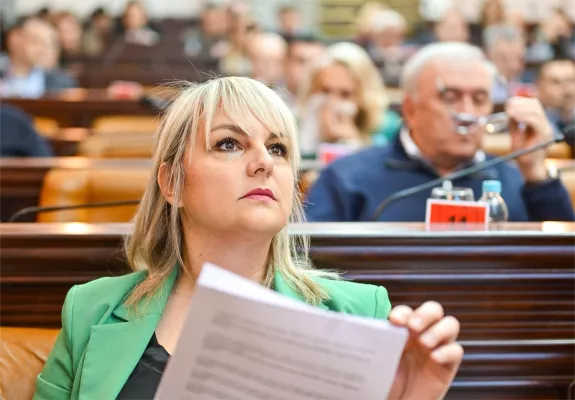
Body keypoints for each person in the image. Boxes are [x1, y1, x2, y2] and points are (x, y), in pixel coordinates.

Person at [34, 76, 462, 399]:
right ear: (172, 184)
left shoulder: (359, 314)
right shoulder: (91, 311)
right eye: (228, 144)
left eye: (278, 148)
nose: (263, 163)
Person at [305, 42, 575, 223]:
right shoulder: (347, 178)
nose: (467, 113)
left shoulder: (514, 179)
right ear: (410, 109)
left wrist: (537, 176)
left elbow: (564, 266)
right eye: (451, 97)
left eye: (479, 99)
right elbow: (310, 272)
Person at [297, 42, 402, 157]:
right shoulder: (296, 124)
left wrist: (355, 144)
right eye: (325, 91)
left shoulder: (388, 128)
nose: (333, 101)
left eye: (345, 94)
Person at [0, 17, 77, 98]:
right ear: (15, 39)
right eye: (36, 41)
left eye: (47, 44)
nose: (42, 49)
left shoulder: (62, 83)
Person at [484, 24, 533, 103]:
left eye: (519, 59)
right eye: (503, 59)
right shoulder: (482, 85)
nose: (513, 66)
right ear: (488, 56)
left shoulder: (531, 83)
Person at [536, 58, 575, 156]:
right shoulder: (532, 125)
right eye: (556, 82)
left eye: (571, 81)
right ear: (540, 87)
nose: (566, 89)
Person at [282, 33, 325, 109]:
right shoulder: (271, 101)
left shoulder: (327, 104)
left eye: (316, 62)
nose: (310, 68)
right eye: (301, 61)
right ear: (286, 63)